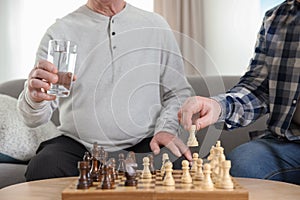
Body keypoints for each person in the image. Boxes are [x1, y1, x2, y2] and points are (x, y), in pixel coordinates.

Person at [18, 0, 193, 181]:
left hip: (145, 143)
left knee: (181, 166)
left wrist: (166, 128)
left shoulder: (156, 26)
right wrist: (35, 98)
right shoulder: (60, 32)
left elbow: (177, 93)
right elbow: (33, 119)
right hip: (79, 147)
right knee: (44, 166)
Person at [178, 0, 300, 185]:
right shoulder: (275, 18)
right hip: (288, 143)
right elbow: (258, 88)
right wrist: (218, 106)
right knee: (241, 165)